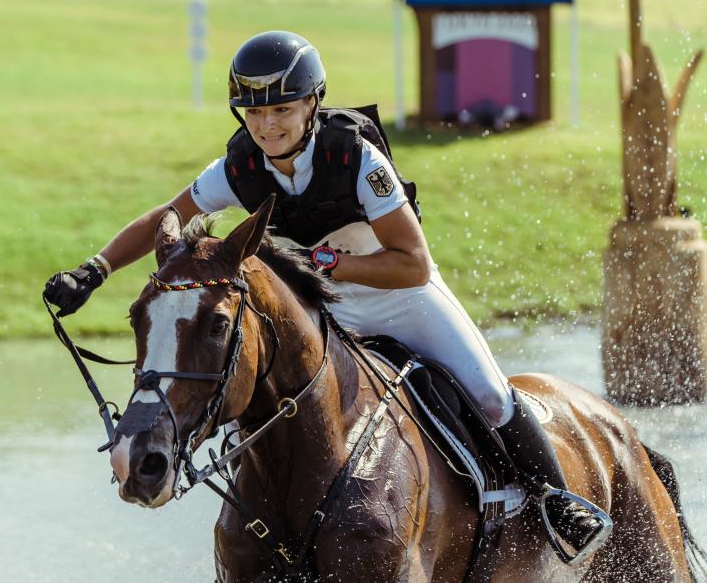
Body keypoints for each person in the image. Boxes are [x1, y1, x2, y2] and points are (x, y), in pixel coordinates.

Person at [44, 30, 607, 552]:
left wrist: (337, 263)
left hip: (398, 296)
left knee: (488, 394)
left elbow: (412, 264)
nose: (267, 127)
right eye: (255, 113)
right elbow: (167, 216)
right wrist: (94, 269)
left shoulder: (357, 159)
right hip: (321, 309)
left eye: (282, 110)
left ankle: (556, 500)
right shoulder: (238, 167)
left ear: (313, 103)